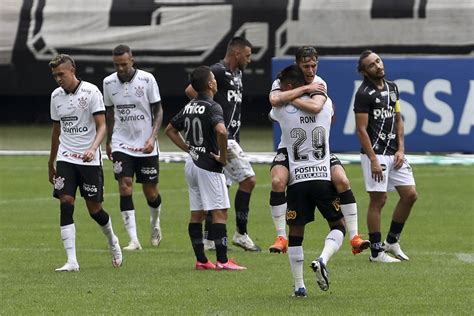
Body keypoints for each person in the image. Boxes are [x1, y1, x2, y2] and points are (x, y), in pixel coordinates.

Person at [267, 46, 369, 255]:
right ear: (298, 65)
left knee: (342, 180)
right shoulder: (281, 80)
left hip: (317, 147)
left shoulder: (319, 82)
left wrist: (291, 95)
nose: (311, 70)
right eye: (306, 66)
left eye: (314, 65)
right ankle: (280, 237)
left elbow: (315, 107)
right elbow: (274, 100)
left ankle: (355, 237)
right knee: (277, 181)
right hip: (289, 147)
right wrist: (302, 91)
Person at [272, 64, 346, 297]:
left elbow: (276, 101)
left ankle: (299, 286)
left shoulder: (282, 110)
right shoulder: (326, 106)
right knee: (338, 227)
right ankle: (323, 259)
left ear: (290, 87)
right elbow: (330, 116)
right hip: (322, 178)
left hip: (297, 181)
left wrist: (288, 97)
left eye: (284, 86)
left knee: (296, 234)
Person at [165, 65, 246, 270]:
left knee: (197, 214)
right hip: (208, 165)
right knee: (219, 212)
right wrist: (222, 156)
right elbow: (222, 131)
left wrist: (188, 148)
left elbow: (170, 130)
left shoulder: (190, 105)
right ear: (210, 83)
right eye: (214, 79)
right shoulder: (213, 106)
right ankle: (223, 260)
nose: (216, 81)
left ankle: (202, 260)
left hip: (191, 164)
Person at [47, 54, 122, 272]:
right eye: (55, 76)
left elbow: (101, 126)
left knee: (94, 210)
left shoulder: (91, 92)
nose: (58, 79)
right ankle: (72, 261)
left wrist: (92, 148)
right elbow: (56, 130)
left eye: (61, 74)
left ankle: (112, 240)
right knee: (66, 202)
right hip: (65, 158)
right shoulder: (55, 96)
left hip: (88, 160)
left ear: (72, 70)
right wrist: (51, 161)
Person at [185, 37, 260, 252]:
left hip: (232, 136)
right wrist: (210, 112)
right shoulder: (217, 70)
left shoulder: (237, 73)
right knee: (248, 181)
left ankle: (209, 239)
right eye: (247, 55)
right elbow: (192, 90)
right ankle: (241, 233)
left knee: (221, 188)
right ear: (236, 54)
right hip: (223, 139)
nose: (250, 59)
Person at [354, 50, 418, 263]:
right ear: (364, 71)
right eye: (372, 65)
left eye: (378, 61)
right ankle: (376, 252)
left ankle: (392, 241)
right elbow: (361, 129)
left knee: (410, 195)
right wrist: (372, 159)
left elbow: (398, 119)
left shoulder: (393, 88)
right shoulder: (363, 93)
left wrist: (401, 149)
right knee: (379, 200)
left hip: (394, 153)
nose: (378, 66)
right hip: (376, 154)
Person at [103, 45, 163, 250]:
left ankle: (155, 223)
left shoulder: (147, 80)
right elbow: (110, 113)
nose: (120, 68)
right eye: (116, 64)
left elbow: (158, 110)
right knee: (124, 185)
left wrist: (153, 137)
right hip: (122, 142)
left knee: (151, 192)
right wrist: (109, 140)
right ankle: (133, 240)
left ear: (132, 61)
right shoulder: (108, 82)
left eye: (124, 64)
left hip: (146, 143)